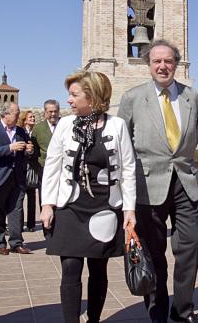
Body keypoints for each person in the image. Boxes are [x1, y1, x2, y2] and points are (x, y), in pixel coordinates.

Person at [118, 40, 198, 323]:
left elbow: (190, 138)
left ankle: (183, 310)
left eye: (168, 61)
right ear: (149, 65)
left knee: (190, 246)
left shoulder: (194, 97)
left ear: (176, 64)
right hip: (147, 185)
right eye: (157, 61)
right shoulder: (132, 98)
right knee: (154, 252)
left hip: (185, 183)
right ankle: (156, 310)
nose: (163, 66)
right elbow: (122, 146)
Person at [41, 71, 137, 323]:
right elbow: (52, 165)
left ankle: (93, 319)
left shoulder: (116, 126)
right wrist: (47, 204)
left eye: (74, 95)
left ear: (92, 96)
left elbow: (128, 169)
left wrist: (129, 210)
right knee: (70, 269)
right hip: (70, 207)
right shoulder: (64, 124)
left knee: (98, 268)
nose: (69, 100)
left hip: (104, 207)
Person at [0, 103, 34, 255]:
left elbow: (26, 151)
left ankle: (16, 242)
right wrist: (9, 148)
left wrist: (29, 150)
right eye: (16, 113)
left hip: (17, 178)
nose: (18, 116)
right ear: (5, 114)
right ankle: (0, 243)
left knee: (16, 210)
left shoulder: (20, 131)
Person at [29, 99, 61, 231]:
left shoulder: (65, 125)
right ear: (45, 112)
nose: (53, 114)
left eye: (55, 111)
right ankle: (47, 228)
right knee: (46, 198)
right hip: (45, 169)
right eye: (50, 111)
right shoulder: (38, 128)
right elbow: (34, 150)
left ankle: (60, 226)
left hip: (63, 168)